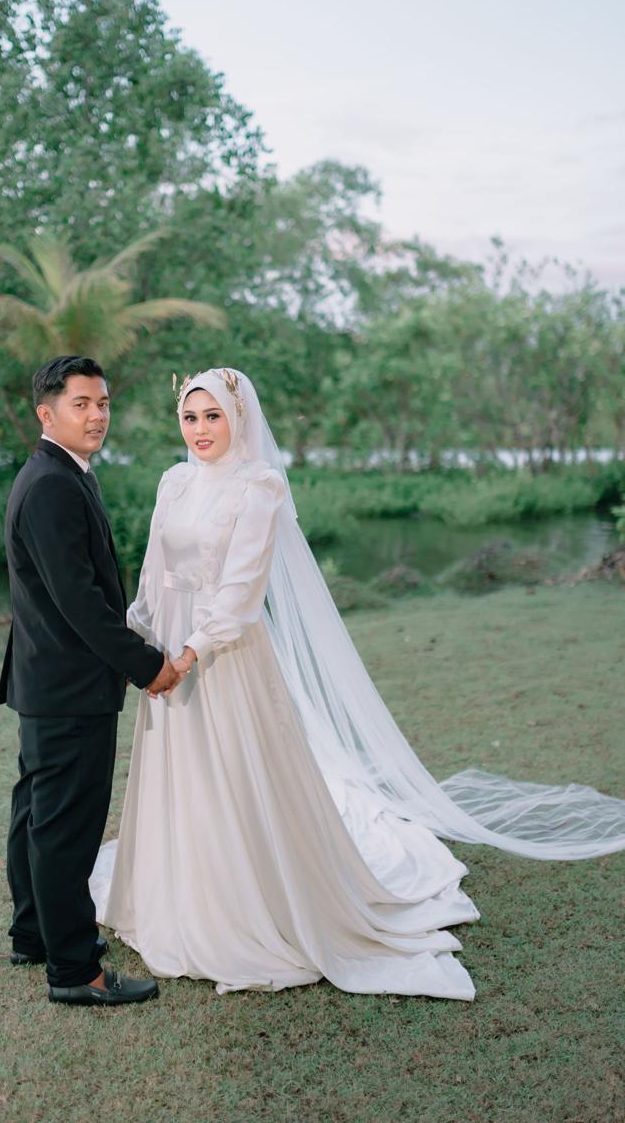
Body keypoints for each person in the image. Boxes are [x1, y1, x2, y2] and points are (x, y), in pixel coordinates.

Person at [90, 367, 625, 999]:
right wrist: (141, 643)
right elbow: (152, 570)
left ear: (239, 418)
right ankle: (180, 889)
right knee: (182, 770)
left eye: (213, 416)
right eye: (190, 417)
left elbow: (242, 589)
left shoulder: (259, 485)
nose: (201, 430)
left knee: (234, 766)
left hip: (222, 653)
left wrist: (189, 653)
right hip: (165, 652)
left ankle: (246, 901)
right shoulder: (174, 481)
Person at [0, 354, 180, 1007]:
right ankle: (75, 970)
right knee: (64, 829)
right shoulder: (52, 484)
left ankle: (33, 935)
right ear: (46, 414)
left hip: (48, 681)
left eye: (102, 403)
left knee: (37, 815)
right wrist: (146, 665)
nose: (97, 415)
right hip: (69, 686)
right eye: (81, 404)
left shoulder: (58, 473)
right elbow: (79, 602)